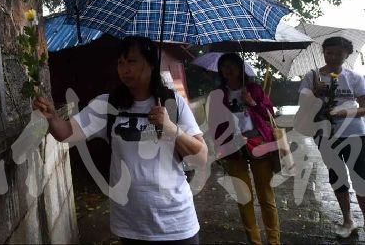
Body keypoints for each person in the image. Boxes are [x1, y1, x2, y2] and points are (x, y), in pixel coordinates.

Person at [33, 36, 207, 244]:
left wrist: (170, 128)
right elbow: (66, 133)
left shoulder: (173, 103)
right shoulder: (107, 105)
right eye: (120, 63)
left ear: (151, 64)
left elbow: (201, 157)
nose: (124, 69)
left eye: (132, 61)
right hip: (131, 225)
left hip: (177, 223)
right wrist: (52, 118)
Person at [207, 53, 280, 245]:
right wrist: (218, 147)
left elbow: (270, 113)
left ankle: (274, 241)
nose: (228, 69)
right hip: (233, 147)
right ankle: (254, 241)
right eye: (224, 66)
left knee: (265, 195)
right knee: (243, 197)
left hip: (258, 143)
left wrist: (252, 103)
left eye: (232, 65)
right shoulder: (218, 94)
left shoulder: (254, 88)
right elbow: (214, 123)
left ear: (241, 68)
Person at [298, 36, 365, 238]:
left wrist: (345, 113)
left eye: (339, 53)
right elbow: (303, 106)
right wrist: (315, 94)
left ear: (347, 55)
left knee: (361, 177)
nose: (333, 56)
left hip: (355, 133)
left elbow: (363, 107)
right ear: (323, 53)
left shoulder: (355, 77)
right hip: (325, 134)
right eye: (329, 52)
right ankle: (348, 220)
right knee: (337, 176)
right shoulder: (312, 76)